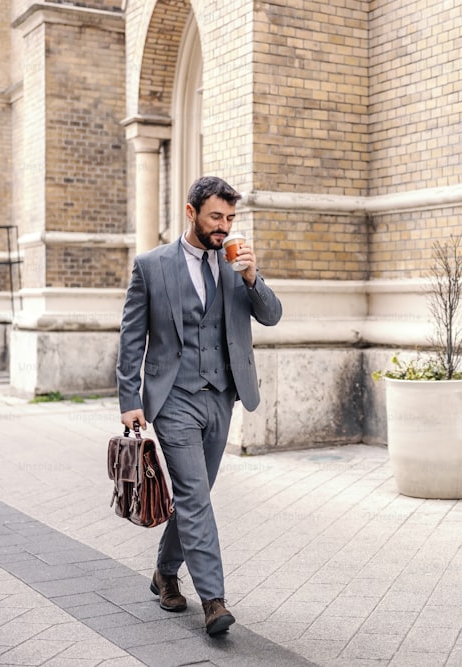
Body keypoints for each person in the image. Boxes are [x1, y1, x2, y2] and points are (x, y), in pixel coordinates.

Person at [116, 176, 282, 635]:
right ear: (191, 213)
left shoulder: (234, 263)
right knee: (193, 494)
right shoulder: (151, 266)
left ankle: (165, 572)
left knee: (196, 496)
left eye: (230, 218)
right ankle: (214, 600)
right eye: (216, 217)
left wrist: (252, 277)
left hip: (222, 396)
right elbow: (132, 338)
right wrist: (129, 399)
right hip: (172, 399)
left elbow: (270, 315)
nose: (224, 227)